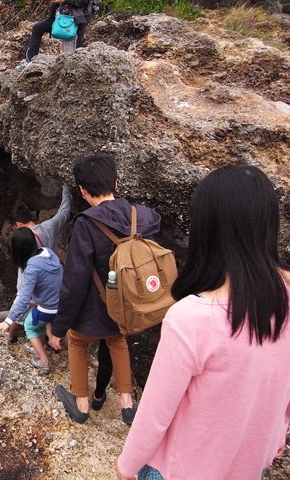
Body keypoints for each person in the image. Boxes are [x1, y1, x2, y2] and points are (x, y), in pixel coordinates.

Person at [116, 165, 290, 480]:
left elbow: (156, 415)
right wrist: (280, 433)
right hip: (250, 463)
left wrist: (126, 467)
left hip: (180, 469)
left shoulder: (191, 318)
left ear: (206, 229)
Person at [49, 153, 161, 425]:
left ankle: (82, 406)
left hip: (92, 307)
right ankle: (127, 405)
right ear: (117, 184)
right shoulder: (144, 216)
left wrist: (59, 327)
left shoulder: (86, 224)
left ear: (83, 190)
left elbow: (74, 281)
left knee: (77, 342)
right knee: (118, 341)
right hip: (128, 305)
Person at [5, 185, 74, 342]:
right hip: (54, 278)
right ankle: (52, 339)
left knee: (29, 313)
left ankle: (10, 337)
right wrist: (66, 188)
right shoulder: (49, 226)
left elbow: (23, 284)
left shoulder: (24, 241)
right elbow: (64, 212)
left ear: (18, 224)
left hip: (37, 284)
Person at [0, 228, 63, 374]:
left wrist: (8, 321)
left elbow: (23, 297)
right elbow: (50, 282)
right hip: (60, 304)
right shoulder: (48, 253)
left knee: (29, 326)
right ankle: (36, 347)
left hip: (48, 308)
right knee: (38, 323)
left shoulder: (32, 267)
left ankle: (44, 361)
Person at [21, 0, 95, 65]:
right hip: (59, 18)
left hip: (77, 21)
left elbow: (83, 2)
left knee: (75, 49)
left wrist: (65, 1)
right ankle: (30, 60)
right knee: (38, 28)